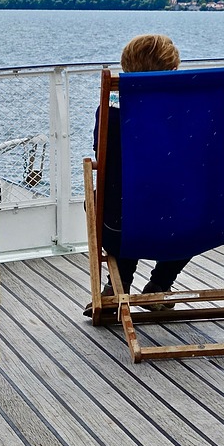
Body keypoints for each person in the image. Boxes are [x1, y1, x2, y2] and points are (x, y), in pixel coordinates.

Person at [85, 33, 189, 316]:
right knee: (185, 203)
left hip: (120, 226)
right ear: (173, 70)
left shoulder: (110, 113)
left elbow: (102, 159)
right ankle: (159, 285)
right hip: (186, 227)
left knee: (119, 196)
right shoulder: (192, 111)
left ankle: (118, 285)